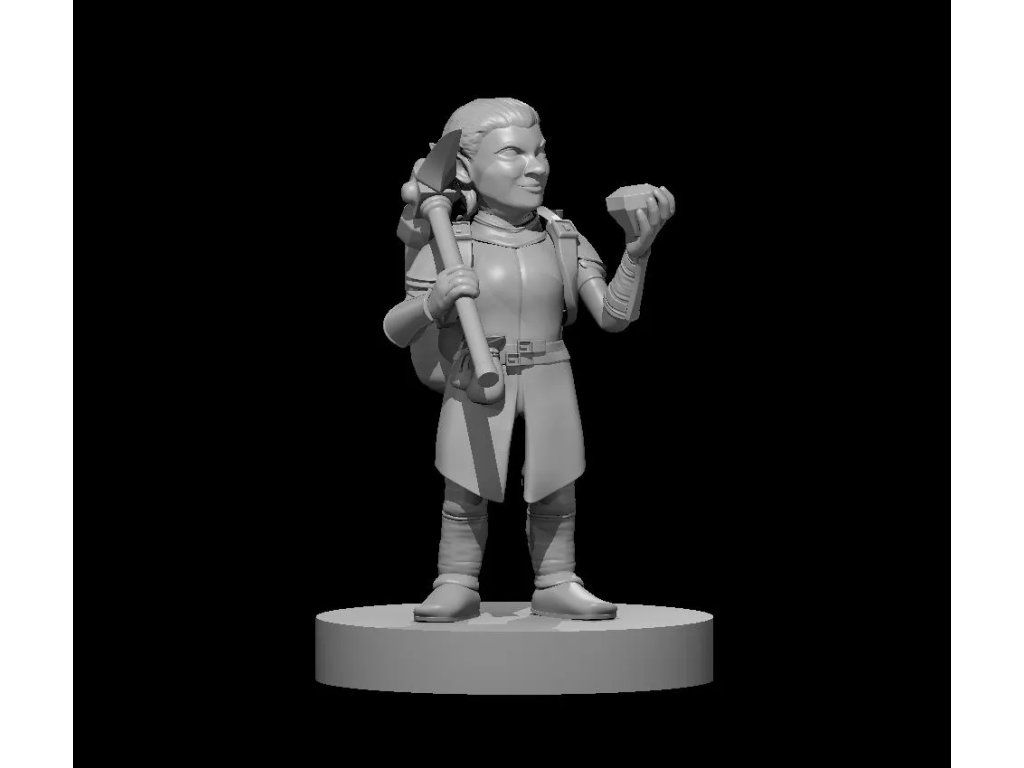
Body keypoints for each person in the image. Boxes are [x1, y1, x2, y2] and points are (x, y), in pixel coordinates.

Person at [383, 98, 675, 622]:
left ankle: (557, 578)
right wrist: (433, 302)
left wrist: (636, 253)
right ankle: (455, 580)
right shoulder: (452, 243)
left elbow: (613, 316)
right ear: (465, 168)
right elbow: (395, 329)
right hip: (476, 374)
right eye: (513, 152)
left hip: (549, 372)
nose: (535, 166)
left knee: (556, 486)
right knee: (465, 487)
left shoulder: (562, 239)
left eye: (540, 152)